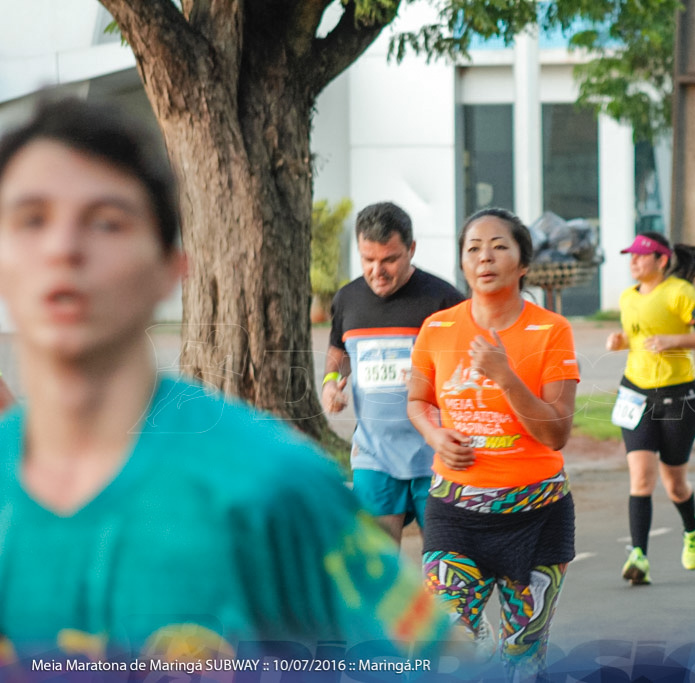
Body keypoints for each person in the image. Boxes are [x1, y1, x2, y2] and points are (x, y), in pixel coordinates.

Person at [0, 98, 449, 665]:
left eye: (106, 221)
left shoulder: (279, 486)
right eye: (30, 219)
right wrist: (336, 378)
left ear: (172, 267)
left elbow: (423, 661)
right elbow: (338, 350)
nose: (63, 249)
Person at [407, 208, 579, 680]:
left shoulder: (551, 331)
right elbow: (418, 402)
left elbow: (557, 432)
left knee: (523, 654)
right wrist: (435, 435)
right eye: (474, 248)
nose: (485, 257)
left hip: (537, 517)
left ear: (523, 263)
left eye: (500, 246)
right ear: (462, 263)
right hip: (456, 513)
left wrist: (505, 377)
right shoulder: (438, 329)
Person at [321, 201, 464, 546]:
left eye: (389, 260)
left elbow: (468, 367)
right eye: (367, 260)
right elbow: (339, 350)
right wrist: (329, 384)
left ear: (411, 249)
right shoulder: (348, 298)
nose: (377, 271)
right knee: (379, 568)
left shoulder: (444, 300)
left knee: (444, 569)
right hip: (374, 455)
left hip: (435, 455)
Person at [606, 231, 695, 585]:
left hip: (679, 399)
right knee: (641, 477)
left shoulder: (680, 294)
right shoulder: (628, 298)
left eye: (642, 256)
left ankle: (692, 528)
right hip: (635, 395)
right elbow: (638, 334)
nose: (634, 261)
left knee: (674, 483)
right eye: (631, 256)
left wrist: (676, 339)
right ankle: (638, 556)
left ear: (661, 260)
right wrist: (621, 341)